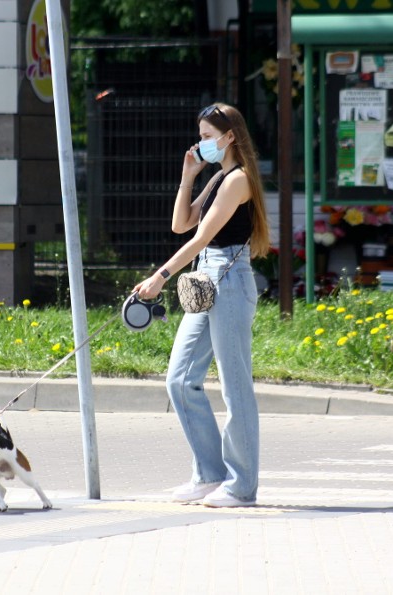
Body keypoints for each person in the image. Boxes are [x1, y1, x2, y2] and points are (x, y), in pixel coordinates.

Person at [133, 103, 270, 507]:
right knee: (179, 379)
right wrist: (189, 177)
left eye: (209, 136)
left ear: (230, 138)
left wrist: (160, 276)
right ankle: (211, 475)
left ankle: (242, 486)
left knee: (235, 387)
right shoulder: (216, 180)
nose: (202, 143)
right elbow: (180, 224)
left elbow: (200, 239)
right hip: (206, 279)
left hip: (228, 277)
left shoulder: (239, 181)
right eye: (201, 136)